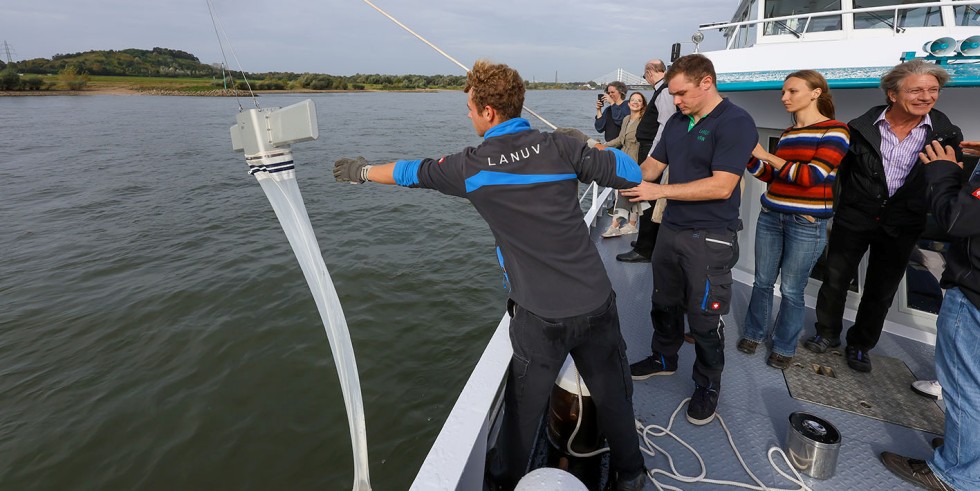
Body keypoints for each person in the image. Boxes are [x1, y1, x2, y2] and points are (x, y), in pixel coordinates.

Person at [332, 60, 646, 491]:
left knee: (521, 414)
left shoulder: (471, 167)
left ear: (489, 112)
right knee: (613, 397)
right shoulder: (561, 147)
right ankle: (631, 474)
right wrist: (589, 148)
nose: (467, 114)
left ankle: (501, 485)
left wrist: (360, 172)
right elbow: (632, 175)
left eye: (470, 107)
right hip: (596, 301)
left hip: (540, 316)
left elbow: (408, 172)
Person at [620, 54, 758, 425]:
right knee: (663, 302)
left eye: (681, 93)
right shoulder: (678, 122)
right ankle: (664, 358)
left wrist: (658, 193)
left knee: (703, 318)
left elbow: (722, 184)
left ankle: (707, 384)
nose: (676, 101)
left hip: (711, 236)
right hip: (672, 230)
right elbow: (650, 168)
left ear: (706, 83)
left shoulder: (736, 122)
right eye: (673, 94)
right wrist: (612, 171)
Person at [803, 60, 964, 373]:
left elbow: (949, 180)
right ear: (893, 94)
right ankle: (826, 334)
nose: (927, 96)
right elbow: (841, 176)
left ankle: (860, 345)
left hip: (903, 223)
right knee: (835, 280)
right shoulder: (860, 128)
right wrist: (834, 209)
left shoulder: (947, 134)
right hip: (855, 217)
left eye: (933, 90)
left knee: (881, 291)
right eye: (916, 89)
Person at [880, 139, 980, 491]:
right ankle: (967, 455)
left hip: (974, 295)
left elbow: (959, 218)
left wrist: (945, 172)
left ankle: (955, 474)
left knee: (964, 388)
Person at [736, 70, 850, 370]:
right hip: (771, 215)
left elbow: (811, 177)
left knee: (791, 289)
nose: (784, 97)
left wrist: (766, 154)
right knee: (761, 282)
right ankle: (753, 333)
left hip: (805, 222)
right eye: (783, 92)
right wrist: (749, 158)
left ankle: (784, 346)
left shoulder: (836, 131)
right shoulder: (787, 134)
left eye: (792, 91)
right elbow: (772, 176)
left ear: (815, 93)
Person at [618, 59, 675, 263]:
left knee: (647, 199)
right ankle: (646, 241)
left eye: (645, 75)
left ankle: (645, 249)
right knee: (645, 200)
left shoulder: (665, 92)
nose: (646, 78)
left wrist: (652, 156)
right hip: (650, 151)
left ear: (650, 72)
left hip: (652, 154)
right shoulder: (662, 90)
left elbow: (665, 126)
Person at [602, 91, 649, 238]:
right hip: (624, 159)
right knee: (632, 193)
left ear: (643, 105)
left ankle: (614, 226)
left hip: (636, 162)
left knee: (624, 192)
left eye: (639, 101)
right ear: (628, 104)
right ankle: (632, 225)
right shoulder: (626, 119)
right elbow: (620, 139)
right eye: (633, 100)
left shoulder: (644, 121)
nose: (635, 102)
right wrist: (603, 146)